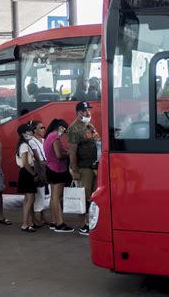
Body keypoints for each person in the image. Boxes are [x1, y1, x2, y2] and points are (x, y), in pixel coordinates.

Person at [67, 101, 100, 236]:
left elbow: (97, 139)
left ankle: (90, 222)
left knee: (91, 197)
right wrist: (75, 170)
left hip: (93, 166)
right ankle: (83, 224)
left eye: (89, 110)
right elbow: (72, 151)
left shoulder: (90, 126)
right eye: (85, 111)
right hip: (82, 168)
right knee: (82, 196)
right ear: (79, 112)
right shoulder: (73, 129)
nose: (88, 113)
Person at [44, 119, 74, 233]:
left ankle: (54, 221)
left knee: (53, 197)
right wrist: (69, 153)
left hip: (50, 168)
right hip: (58, 169)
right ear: (60, 127)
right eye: (65, 130)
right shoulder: (55, 137)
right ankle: (60, 224)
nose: (64, 133)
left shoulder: (48, 136)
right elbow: (59, 155)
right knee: (57, 198)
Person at [16, 123, 38, 232]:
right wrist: (34, 174)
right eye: (29, 131)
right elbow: (25, 163)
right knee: (30, 198)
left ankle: (27, 222)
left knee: (27, 199)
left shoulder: (23, 144)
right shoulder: (24, 145)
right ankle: (25, 223)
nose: (31, 133)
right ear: (23, 133)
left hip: (25, 172)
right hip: (27, 172)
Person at [28, 120, 50, 227]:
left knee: (44, 193)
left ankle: (43, 217)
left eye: (44, 127)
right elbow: (37, 158)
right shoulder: (32, 141)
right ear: (34, 129)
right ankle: (35, 218)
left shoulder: (43, 140)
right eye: (41, 128)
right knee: (38, 193)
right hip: (39, 167)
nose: (43, 129)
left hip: (45, 167)